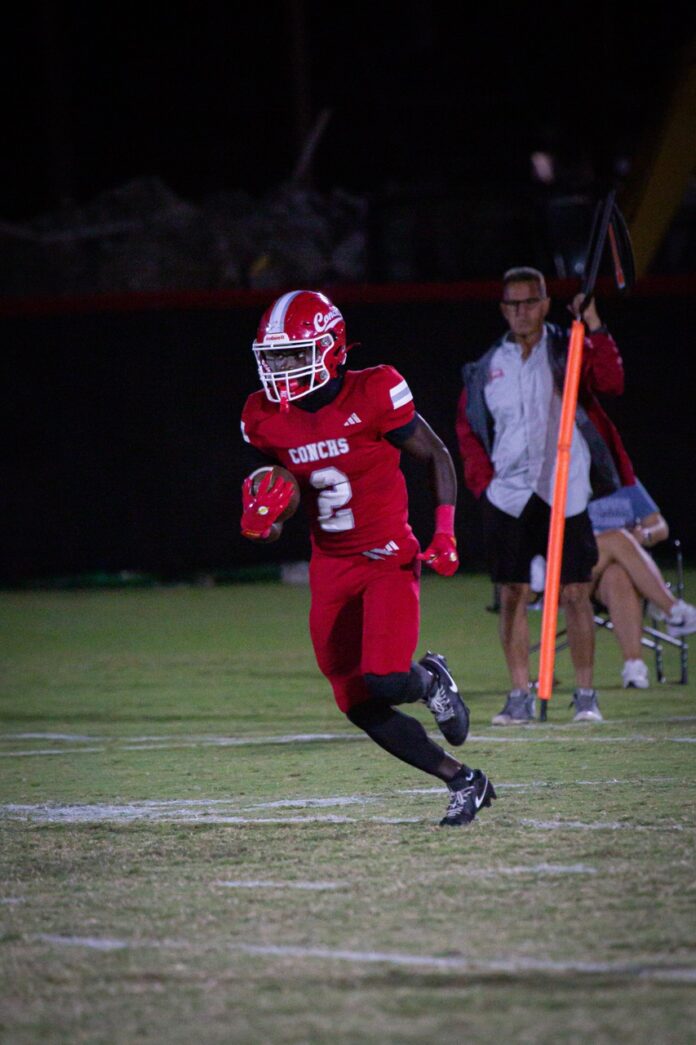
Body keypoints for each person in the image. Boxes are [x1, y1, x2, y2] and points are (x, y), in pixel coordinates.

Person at [240, 289, 495, 827]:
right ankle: (463, 780)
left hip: (386, 557)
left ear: (330, 347)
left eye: (294, 354)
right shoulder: (263, 416)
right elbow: (285, 487)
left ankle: (430, 681)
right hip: (330, 564)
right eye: (274, 358)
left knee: (384, 678)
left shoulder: (374, 390)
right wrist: (268, 522)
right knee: (354, 699)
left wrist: (444, 531)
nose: (281, 369)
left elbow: (436, 454)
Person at [456, 266, 634, 725]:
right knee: (512, 593)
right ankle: (519, 694)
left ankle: (586, 695)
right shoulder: (487, 366)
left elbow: (611, 381)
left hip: (565, 487)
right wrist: (483, 484)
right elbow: (468, 428)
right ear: (503, 309)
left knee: (575, 592)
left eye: (530, 302)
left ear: (545, 304)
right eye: (513, 304)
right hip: (509, 494)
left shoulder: (568, 347)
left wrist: (593, 324)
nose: (522, 312)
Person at [588, 479, 696, 688]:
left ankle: (634, 667)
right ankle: (671, 609)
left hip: (620, 573)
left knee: (618, 576)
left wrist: (645, 535)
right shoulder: (571, 479)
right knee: (618, 538)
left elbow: (660, 526)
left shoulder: (623, 479)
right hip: (582, 571)